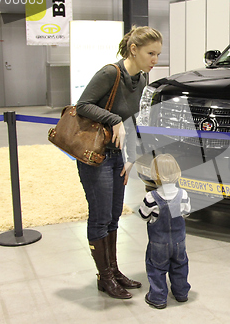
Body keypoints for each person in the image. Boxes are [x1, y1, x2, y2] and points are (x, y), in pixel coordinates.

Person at [76, 26, 163, 299]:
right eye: (151, 53)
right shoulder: (110, 73)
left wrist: (132, 157)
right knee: (100, 217)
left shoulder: (143, 77)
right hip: (96, 156)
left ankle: (113, 271)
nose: (155, 59)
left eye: (158, 54)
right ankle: (104, 277)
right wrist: (113, 119)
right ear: (134, 49)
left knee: (113, 216)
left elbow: (136, 119)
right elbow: (82, 105)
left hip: (117, 157)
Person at [138, 154, 191, 309]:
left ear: (155, 174)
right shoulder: (183, 194)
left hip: (158, 243)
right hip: (179, 242)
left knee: (156, 269)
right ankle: (181, 293)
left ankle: (158, 297)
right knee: (180, 266)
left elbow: (143, 215)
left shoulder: (151, 197)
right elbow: (186, 212)